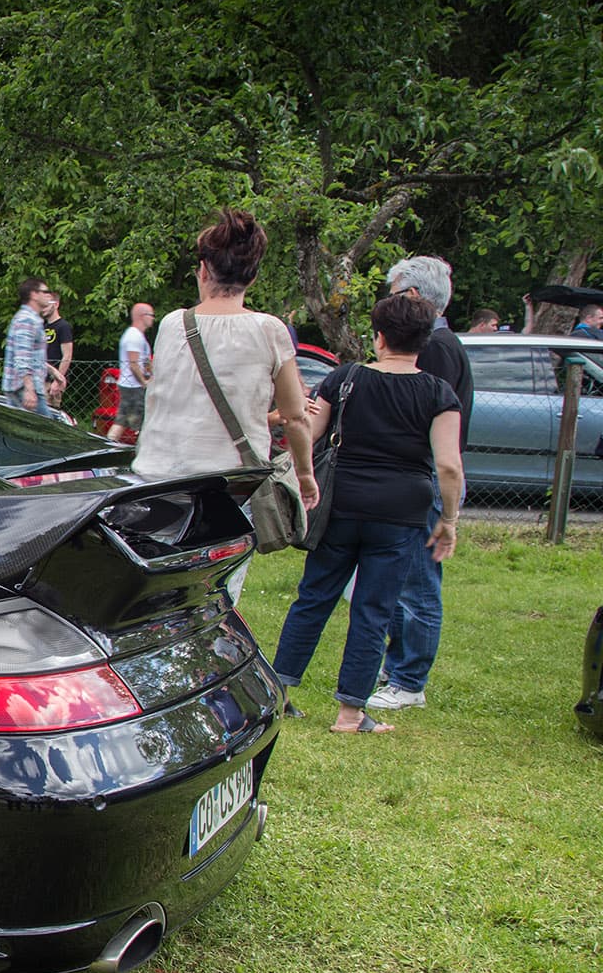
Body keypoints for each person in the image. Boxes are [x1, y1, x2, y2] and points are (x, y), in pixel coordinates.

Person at [271, 293, 463, 733]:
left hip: (339, 505)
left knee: (313, 597)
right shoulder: (439, 393)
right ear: (424, 341)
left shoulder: (345, 378)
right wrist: (449, 520)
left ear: (378, 337)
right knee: (374, 609)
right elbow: (449, 466)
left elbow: (310, 434)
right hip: (401, 514)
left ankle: (279, 693)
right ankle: (350, 712)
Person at [132, 213, 316, 516]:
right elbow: (295, 417)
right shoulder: (269, 330)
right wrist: (305, 477)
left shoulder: (172, 324)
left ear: (204, 270)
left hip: (156, 479)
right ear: (252, 278)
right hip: (230, 486)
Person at [371, 254, 475, 712]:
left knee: (417, 583)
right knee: (404, 578)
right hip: (418, 477)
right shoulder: (443, 344)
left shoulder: (434, 349)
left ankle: (409, 680)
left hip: (424, 477)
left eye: (393, 294)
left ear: (412, 296)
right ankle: (397, 667)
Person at [1, 279, 53, 416]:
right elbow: (22, 357)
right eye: (45, 292)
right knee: (46, 427)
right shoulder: (26, 320)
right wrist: (29, 389)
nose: (49, 295)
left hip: (25, 386)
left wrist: (55, 373)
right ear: (33, 294)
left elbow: (33, 356)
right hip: (24, 387)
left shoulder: (31, 319)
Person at [111, 302, 154, 437]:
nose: (153, 318)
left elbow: (145, 361)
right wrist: (144, 382)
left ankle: (111, 442)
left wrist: (152, 374)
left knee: (122, 421)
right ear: (142, 316)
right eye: (151, 315)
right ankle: (112, 443)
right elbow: (133, 364)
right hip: (133, 386)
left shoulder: (138, 336)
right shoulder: (133, 336)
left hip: (132, 385)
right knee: (136, 422)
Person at [41, 289, 74, 406]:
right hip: (40, 378)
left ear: (56, 304)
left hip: (52, 381)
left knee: (48, 413)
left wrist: (57, 380)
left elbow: (67, 355)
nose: (43, 308)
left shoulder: (63, 326)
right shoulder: (43, 327)